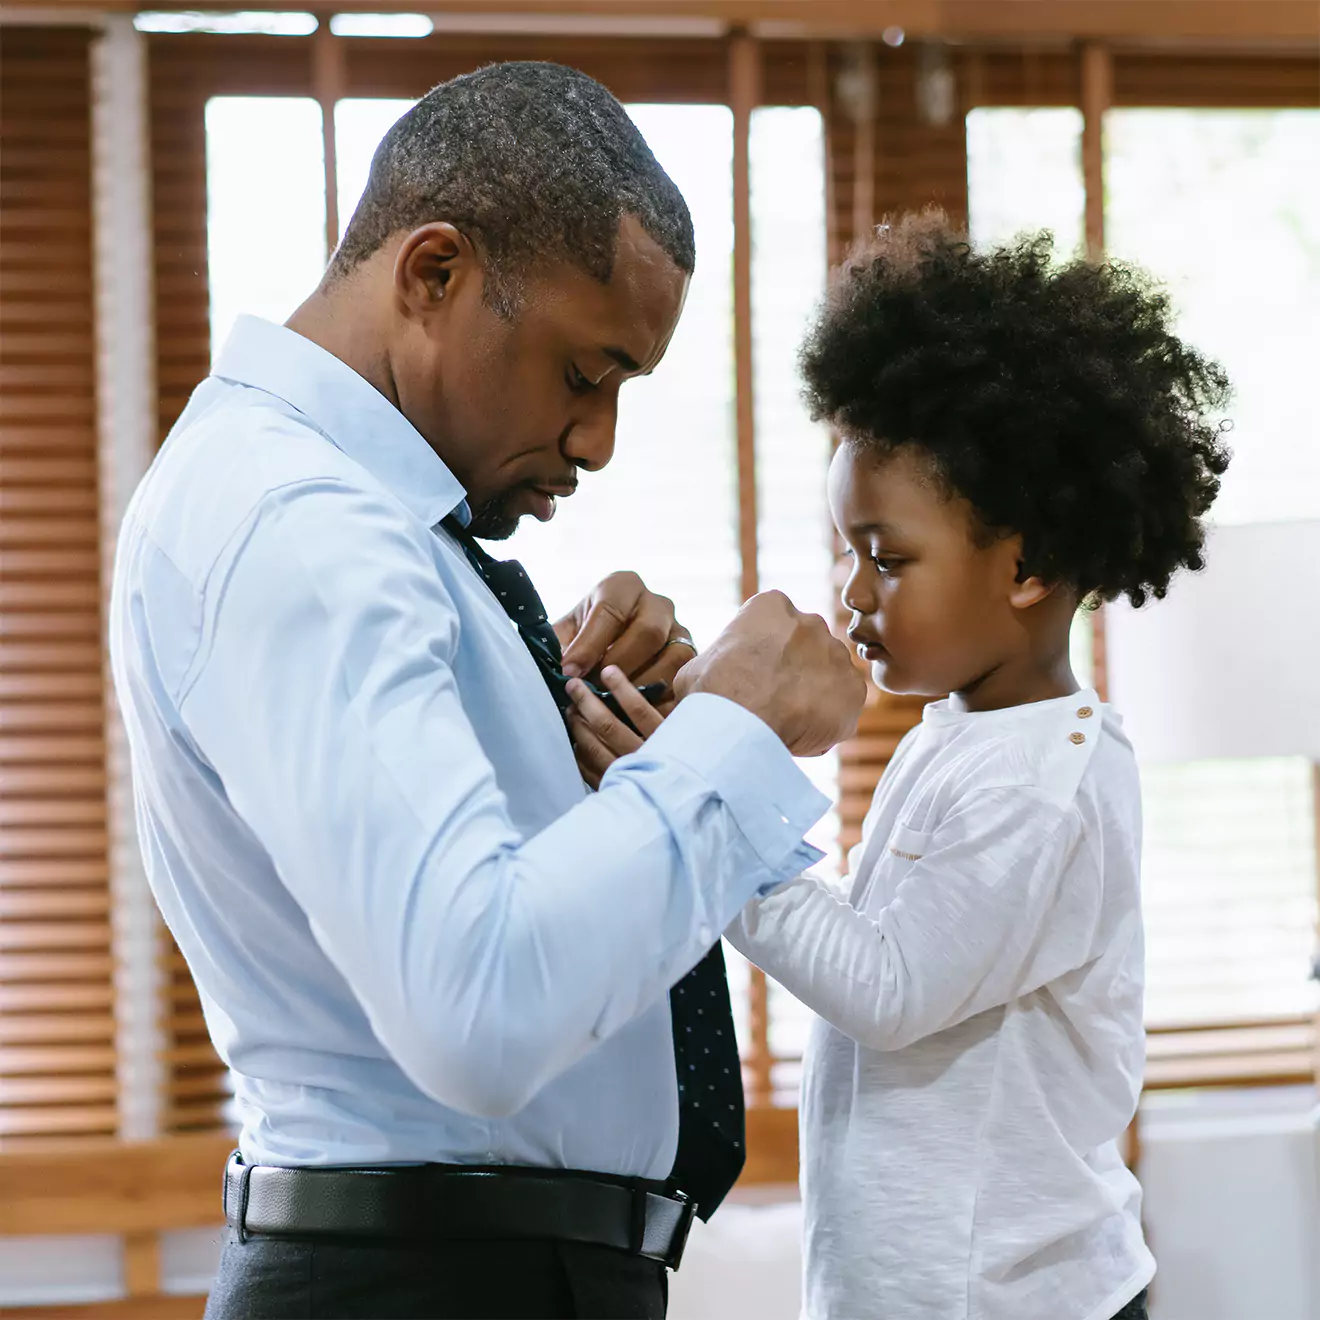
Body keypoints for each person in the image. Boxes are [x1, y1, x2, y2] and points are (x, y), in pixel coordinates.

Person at [109, 62, 865, 1320]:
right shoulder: (304, 526)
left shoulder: (350, 525)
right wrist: (734, 730)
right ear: (434, 274)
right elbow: (481, 1012)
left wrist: (555, 734)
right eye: (586, 375)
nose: (599, 444)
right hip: (431, 1280)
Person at [569, 211, 1232, 1320]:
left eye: (888, 557)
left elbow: (889, 986)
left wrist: (708, 808)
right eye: (844, 552)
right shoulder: (966, 740)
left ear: (1027, 563)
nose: (851, 593)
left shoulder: (1042, 781)